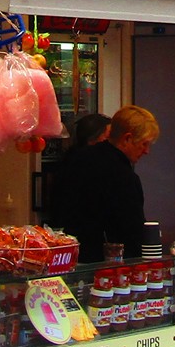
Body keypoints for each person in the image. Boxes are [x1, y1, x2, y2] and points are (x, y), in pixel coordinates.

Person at [64, 105, 159, 262]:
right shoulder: (124, 177)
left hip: (69, 259)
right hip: (105, 267)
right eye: (144, 144)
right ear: (127, 139)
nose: (147, 151)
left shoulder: (77, 159)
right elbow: (132, 235)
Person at [45, 112, 113, 258]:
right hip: (82, 242)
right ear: (93, 138)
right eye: (108, 138)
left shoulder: (71, 160)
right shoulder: (86, 165)